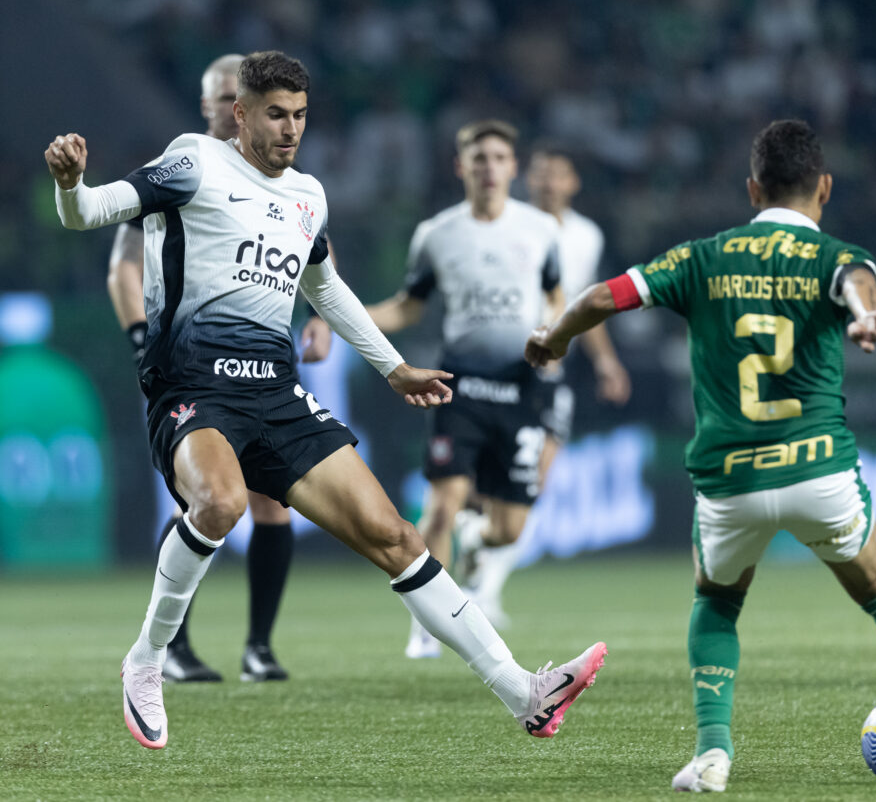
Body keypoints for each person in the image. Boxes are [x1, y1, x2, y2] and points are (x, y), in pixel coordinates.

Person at [46, 51, 605, 751]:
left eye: (300, 116)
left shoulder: (308, 194)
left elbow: (327, 288)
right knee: (218, 504)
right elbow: (89, 212)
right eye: (275, 114)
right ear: (241, 113)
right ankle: (147, 660)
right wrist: (72, 185)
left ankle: (522, 689)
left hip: (275, 395)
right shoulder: (193, 161)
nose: (289, 130)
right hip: (192, 387)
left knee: (397, 538)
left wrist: (394, 367)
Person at [525, 119, 876, 792]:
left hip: (731, 480)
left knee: (717, 602)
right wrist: (865, 316)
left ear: (753, 189)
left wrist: (555, 336)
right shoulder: (836, 254)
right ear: (825, 187)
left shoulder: (701, 256)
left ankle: (713, 753)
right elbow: (857, 282)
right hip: (819, 470)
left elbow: (605, 296)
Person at [107, 53, 331, 683]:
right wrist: (137, 337)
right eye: (213, 95)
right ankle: (169, 647)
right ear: (222, 106)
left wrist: (322, 318)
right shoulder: (182, 171)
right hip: (189, 368)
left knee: (270, 508)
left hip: (261, 368)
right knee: (205, 504)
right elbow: (122, 264)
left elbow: (314, 262)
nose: (218, 103)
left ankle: (259, 645)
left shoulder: (284, 181)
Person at [366, 119, 565, 658]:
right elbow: (410, 304)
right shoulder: (437, 234)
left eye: (499, 157)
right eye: (479, 158)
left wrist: (557, 336)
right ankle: (425, 624)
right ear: (462, 167)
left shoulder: (541, 230)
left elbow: (556, 297)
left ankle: (477, 544)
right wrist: (352, 317)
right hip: (460, 387)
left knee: (507, 530)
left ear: (513, 166)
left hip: (521, 389)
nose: (489, 167)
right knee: (441, 507)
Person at [457, 142, 632, 625]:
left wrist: (607, 363)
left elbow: (585, 307)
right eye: (540, 174)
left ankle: (484, 589)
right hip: (496, 370)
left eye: (558, 174)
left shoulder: (586, 236)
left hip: (548, 373)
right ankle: (472, 548)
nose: (548, 183)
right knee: (483, 489)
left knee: (532, 485)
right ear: (525, 179)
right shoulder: (505, 224)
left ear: (573, 182)